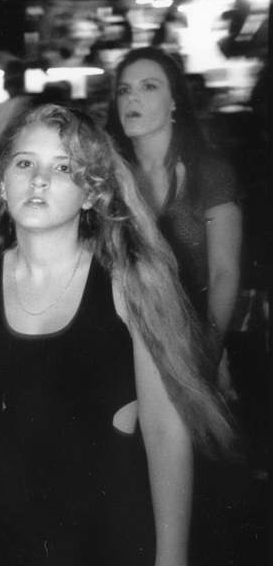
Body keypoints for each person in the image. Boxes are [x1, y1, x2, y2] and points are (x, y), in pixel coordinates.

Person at [0, 104, 236, 566]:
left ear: (91, 194)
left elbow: (166, 428)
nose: (38, 179)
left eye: (63, 168)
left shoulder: (128, 280)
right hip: (4, 522)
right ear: (1, 181)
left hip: (108, 531)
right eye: (24, 163)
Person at [106, 47, 243, 396]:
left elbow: (223, 272)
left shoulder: (209, 173)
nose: (131, 97)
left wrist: (209, 352)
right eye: (124, 89)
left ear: (174, 102)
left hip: (190, 340)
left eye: (148, 86)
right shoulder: (107, 175)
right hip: (117, 342)